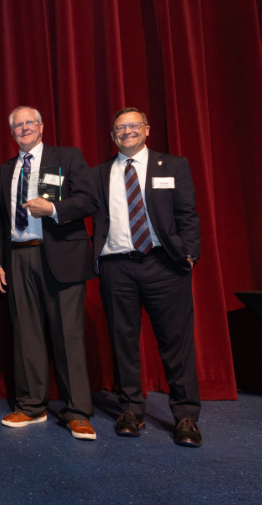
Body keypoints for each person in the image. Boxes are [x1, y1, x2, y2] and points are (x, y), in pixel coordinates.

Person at [92, 107, 202, 447]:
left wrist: (189, 255)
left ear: (147, 129)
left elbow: (188, 214)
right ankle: (130, 410)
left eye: (133, 126)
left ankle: (185, 416)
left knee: (175, 341)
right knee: (123, 342)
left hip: (164, 265)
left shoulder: (172, 165)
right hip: (116, 267)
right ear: (112, 136)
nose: (126, 132)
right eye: (119, 128)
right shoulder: (98, 174)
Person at [0, 106, 98, 440]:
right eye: (17, 125)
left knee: (68, 335)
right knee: (26, 334)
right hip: (18, 258)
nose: (23, 128)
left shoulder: (66, 156)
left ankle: (78, 412)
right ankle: (32, 406)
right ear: (12, 133)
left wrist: (52, 208)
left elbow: (89, 199)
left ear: (41, 126)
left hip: (61, 256)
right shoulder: (4, 170)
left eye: (28, 123)